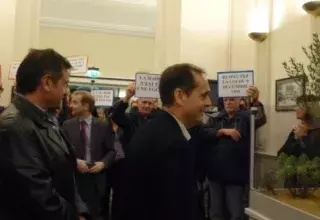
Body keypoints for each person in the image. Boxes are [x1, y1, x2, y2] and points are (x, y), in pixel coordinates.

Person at [0, 49, 89, 220]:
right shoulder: (13, 127)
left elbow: (67, 174)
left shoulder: (45, 118)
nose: (66, 92)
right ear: (47, 82)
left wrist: (81, 211)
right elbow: (38, 198)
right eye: (64, 84)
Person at [123, 63, 212, 220]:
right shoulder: (171, 143)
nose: (209, 103)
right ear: (180, 96)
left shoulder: (157, 129)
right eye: (203, 96)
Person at [206, 86, 266, 220]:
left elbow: (260, 119)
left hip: (235, 175)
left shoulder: (246, 117)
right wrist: (223, 131)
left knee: (236, 214)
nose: (227, 102)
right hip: (215, 174)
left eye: (231, 99)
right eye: (225, 99)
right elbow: (204, 134)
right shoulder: (215, 118)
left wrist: (256, 101)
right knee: (216, 213)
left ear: (239, 100)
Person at [63, 91, 115, 220]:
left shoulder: (103, 126)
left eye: (75, 102)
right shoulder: (67, 125)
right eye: (71, 102)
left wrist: (103, 163)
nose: (71, 105)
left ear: (86, 106)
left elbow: (112, 151)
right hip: (75, 180)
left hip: (97, 180)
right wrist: (75, 161)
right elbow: (62, 151)